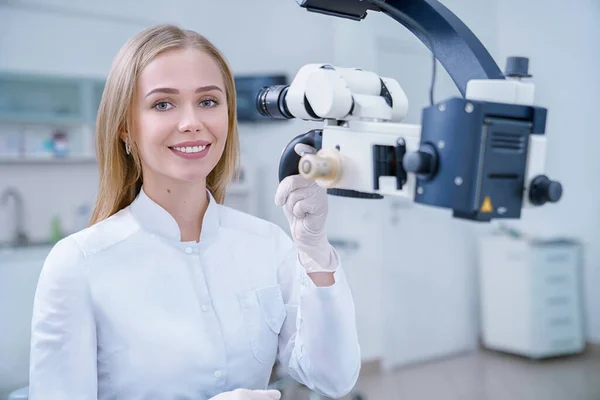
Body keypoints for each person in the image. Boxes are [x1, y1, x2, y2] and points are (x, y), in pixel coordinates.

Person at [28, 24, 361, 400]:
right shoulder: (79, 264)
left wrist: (315, 252)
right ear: (125, 129)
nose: (192, 122)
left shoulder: (267, 244)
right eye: (163, 104)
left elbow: (334, 378)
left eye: (208, 102)